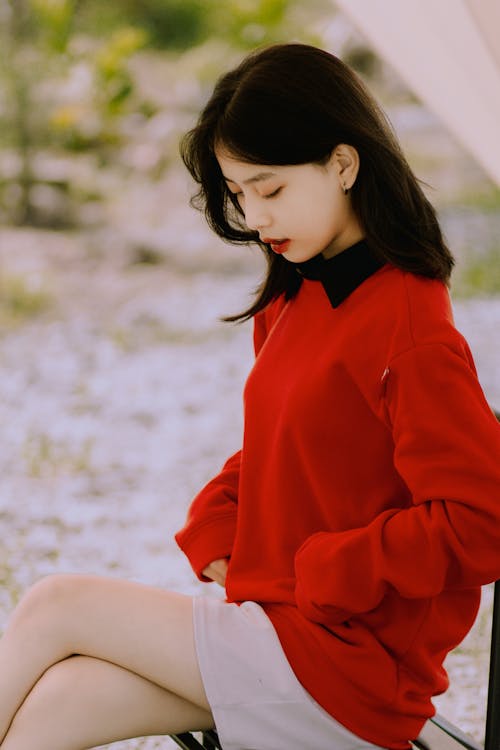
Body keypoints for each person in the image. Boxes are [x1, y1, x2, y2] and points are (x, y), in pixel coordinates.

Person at [0, 43, 499, 750]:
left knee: (56, 604)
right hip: (283, 631)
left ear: (343, 164)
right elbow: (284, 442)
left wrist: (331, 568)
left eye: (270, 189)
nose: (255, 216)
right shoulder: (296, 296)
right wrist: (218, 518)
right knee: (62, 704)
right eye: (239, 194)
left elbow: (481, 521)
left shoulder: (410, 326)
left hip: (351, 670)